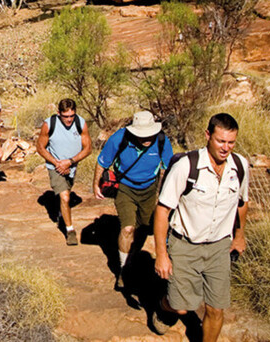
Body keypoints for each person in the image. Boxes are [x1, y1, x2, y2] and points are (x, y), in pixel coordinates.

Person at [150, 113, 248, 341]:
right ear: (208, 136)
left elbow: (242, 202)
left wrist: (240, 235)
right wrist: (162, 255)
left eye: (231, 142)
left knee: (215, 308)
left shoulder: (240, 166)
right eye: (220, 141)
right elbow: (162, 210)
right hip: (185, 246)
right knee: (181, 307)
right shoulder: (187, 166)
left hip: (219, 248)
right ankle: (164, 305)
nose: (226, 148)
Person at [92, 111, 173, 289]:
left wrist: (168, 194)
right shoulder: (119, 139)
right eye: (142, 135)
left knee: (143, 228)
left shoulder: (161, 141)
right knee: (128, 228)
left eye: (149, 134)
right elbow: (103, 162)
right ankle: (124, 271)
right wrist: (96, 184)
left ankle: (131, 258)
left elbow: (169, 169)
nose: (146, 139)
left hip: (150, 189)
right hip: (125, 188)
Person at [36, 98, 91, 245]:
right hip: (56, 166)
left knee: (67, 191)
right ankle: (70, 230)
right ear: (59, 113)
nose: (69, 119)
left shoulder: (81, 123)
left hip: (71, 166)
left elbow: (88, 148)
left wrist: (70, 162)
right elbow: (40, 147)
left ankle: (62, 212)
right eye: (65, 116)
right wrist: (57, 163)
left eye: (72, 116)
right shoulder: (49, 124)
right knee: (65, 197)